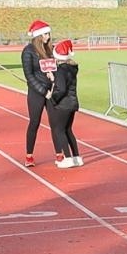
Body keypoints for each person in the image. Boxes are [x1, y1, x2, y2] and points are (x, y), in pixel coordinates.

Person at [21, 19, 56, 166]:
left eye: (49, 33)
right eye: (46, 34)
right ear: (39, 35)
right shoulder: (28, 51)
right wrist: (43, 91)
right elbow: (29, 76)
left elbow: (56, 67)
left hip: (52, 91)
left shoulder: (50, 49)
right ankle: (29, 155)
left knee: (56, 123)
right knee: (34, 122)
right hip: (37, 92)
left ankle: (60, 153)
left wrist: (54, 80)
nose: (48, 36)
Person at [48, 39, 83, 168]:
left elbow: (61, 88)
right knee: (68, 130)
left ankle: (68, 158)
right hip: (72, 102)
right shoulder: (72, 68)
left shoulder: (61, 70)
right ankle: (76, 157)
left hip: (63, 104)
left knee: (59, 130)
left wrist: (52, 98)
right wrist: (54, 79)